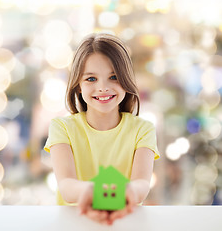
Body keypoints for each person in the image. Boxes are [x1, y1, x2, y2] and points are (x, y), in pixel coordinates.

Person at [44, 33, 160, 225]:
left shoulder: (143, 129)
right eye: (91, 79)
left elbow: (141, 184)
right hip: (74, 224)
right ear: (78, 86)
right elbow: (66, 186)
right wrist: (92, 192)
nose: (103, 87)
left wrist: (129, 192)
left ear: (126, 80)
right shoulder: (62, 128)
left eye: (113, 77)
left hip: (124, 223)